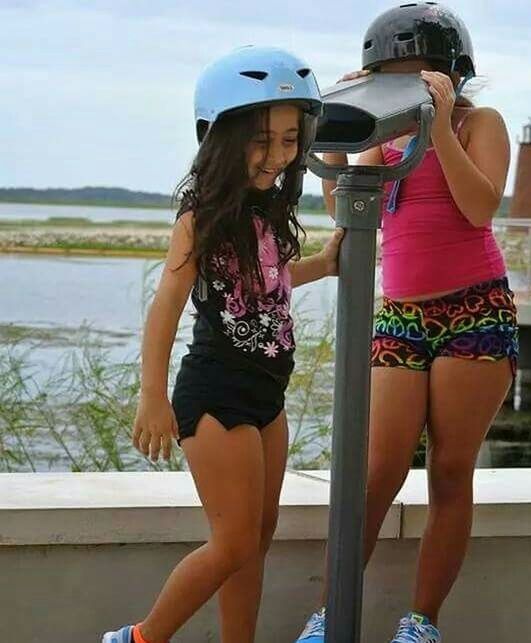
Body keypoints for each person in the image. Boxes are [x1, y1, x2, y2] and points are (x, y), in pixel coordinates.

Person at [102, 45, 343, 643]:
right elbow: (166, 307)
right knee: (233, 542)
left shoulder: (264, 208)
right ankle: (140, 638)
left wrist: (325, 264)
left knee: (256, 540)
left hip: (268, 396)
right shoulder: (200, 213)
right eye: (262, 139)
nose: (278, 154)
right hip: (215, 395)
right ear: (221, 135)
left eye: (290, 139)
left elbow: (269, 281)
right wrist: (151, 396)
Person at [295, 4, 518, 643]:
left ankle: (421, 623)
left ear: (450, 73)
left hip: (475, 308)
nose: (405, 83)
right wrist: (344, 120)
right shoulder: (383, 136)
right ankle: (331, 613)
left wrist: (440, 126)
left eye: (416, 73)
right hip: (401, 314)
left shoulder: (483, 123)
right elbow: (341, 204)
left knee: (450, 469)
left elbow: (479, 208)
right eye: (388, 75)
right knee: (378, 468)